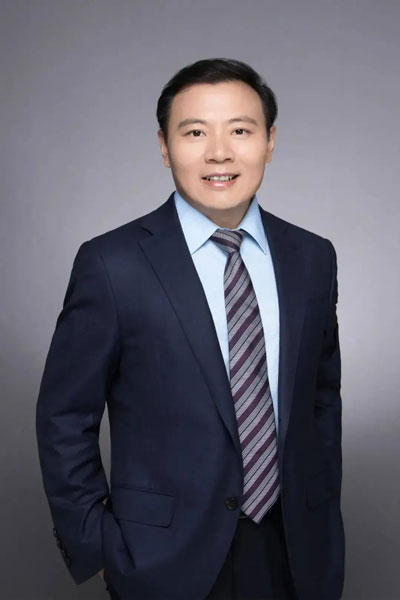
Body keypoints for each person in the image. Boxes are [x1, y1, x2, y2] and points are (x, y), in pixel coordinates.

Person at [36, 58, 345, 600]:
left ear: (270, 141)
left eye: (240, 131)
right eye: (195, 132)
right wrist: (100, 549)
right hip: (160, 558)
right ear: (164, 146)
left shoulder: (312, 257)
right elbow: (64, 417)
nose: (219, 153)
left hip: (295, 552)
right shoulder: (112, 264)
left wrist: (321, 515)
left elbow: (321, 397)